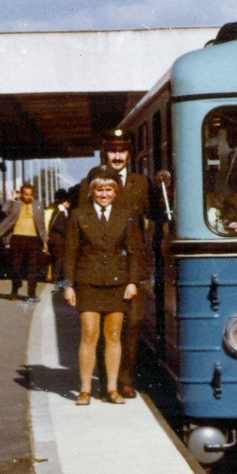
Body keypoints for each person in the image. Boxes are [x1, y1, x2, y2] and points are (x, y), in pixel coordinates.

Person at [62, 167, 143, 405]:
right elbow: (70, 253)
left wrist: (133, 281)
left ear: (116, 192)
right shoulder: (78, 215)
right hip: (87, 282)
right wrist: (68, 285)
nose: (104, 194)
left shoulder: (126, 214)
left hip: (117, 283)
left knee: (114, 335)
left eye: (109, 189)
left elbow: (135, 252)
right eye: (100, 189)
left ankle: (111, 388)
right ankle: (85, 389)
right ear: (91, 191)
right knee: (89, 334)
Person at [80, 129, 150, 397]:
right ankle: (104, 380)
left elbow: (154, 217)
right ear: (105, 153)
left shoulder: (140, 183)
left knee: (131, 323)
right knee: (98, 325)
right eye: (113, 150)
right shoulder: (92, 180)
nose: (118, 155)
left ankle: (125, 377)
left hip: (129, 266)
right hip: (98, 269)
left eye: (122, 150)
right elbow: (82, 218)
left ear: (128, 154)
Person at [0, 183, 47, 302]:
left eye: (31, 195)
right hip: (17, 238)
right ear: (21, 194)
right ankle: (15, 289)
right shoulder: (16, 203)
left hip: (33, 239)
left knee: (33, 268)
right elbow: (4, 209)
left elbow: (42, 225)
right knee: (15, 266)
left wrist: (45, 241)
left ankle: (31, 294)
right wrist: (12, 198)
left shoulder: (38, 205)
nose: (29, 197)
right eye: (26, 194)